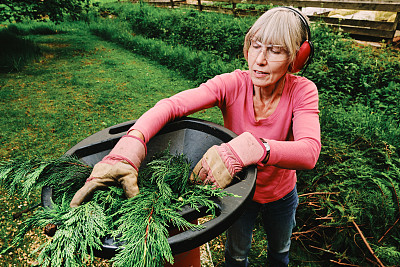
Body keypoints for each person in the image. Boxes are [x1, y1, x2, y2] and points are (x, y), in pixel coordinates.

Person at [70, 6, 321, 266]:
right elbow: (171, 105)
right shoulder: (232, 84)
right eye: (256, 46)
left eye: (276, 51)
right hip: (241, 194)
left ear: (297, 58)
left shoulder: (302, 91)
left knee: (280, 252)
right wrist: (131, 144)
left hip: (281, 194)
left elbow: (309, 152)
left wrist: (255, 147)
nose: (259, 60)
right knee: (236, 255)